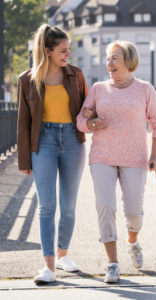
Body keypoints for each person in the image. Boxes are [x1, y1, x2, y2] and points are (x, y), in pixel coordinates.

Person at [76, 40, 156, 283]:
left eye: (114, 58)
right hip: (102, 156)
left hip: (135, 158)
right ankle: (112, 264)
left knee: (134, 213)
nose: (109, 63)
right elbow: (80, 121)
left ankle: (132, 241)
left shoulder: (145, 89)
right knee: (105, 206)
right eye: (108, 58)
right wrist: (92, 124)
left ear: (129, 61)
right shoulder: (98, 89)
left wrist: (155, 155)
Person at [16, 24, 96, 284]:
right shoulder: (27, 80)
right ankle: (48, 267)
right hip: (44, 143)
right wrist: (24, 159)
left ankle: (63, 255)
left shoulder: (76, 75)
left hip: (73, 140)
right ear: (47, 51)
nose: (68, 55)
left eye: (69, 49)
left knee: (69, 205)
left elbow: (88, 109)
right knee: (47, 206)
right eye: (63, 50)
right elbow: (23, 123)